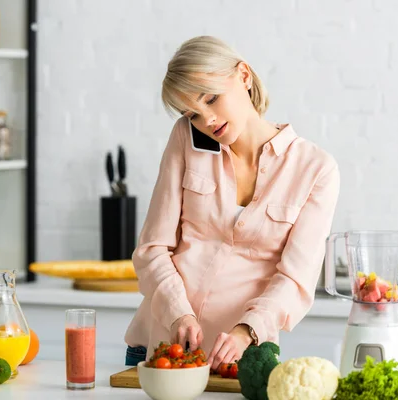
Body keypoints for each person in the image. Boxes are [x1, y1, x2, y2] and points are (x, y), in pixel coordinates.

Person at [124, 36, 340, 371]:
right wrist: (178, 312)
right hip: (162, 351)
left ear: (243, 76)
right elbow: (153, 248)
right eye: (192, 113)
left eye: (211, 99)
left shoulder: (315, 169)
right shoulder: (186, 138)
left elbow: (295, 278)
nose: (206, 120)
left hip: (241, 362)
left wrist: (245, 331)